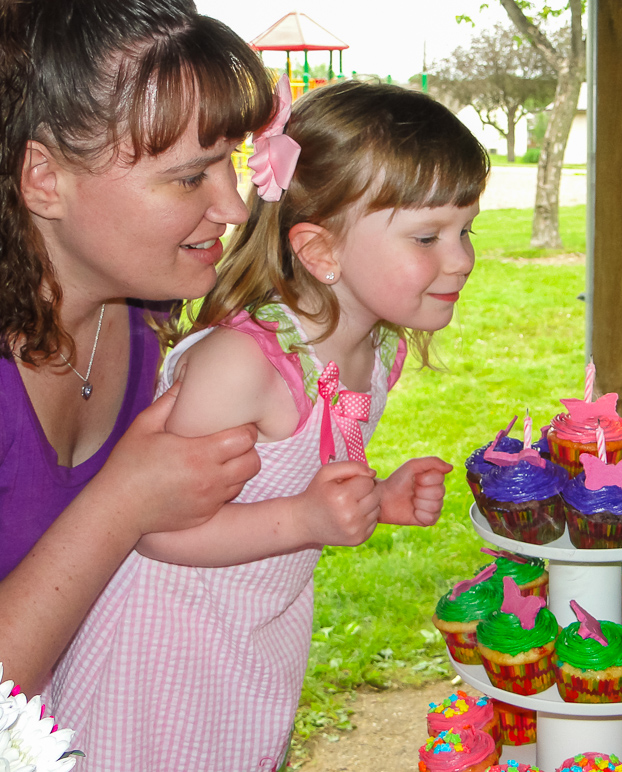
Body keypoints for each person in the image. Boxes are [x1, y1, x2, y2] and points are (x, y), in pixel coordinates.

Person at [47, 79, 490, 771]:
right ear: (320, 253)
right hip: (163, 652)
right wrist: (307, 522)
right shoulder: (243, 366)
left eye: (467, 229)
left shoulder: (376, 351)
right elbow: (155, 528)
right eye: (428, 236)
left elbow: (297, 479)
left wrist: (374, 499)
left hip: (254, 633)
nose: (461, 258)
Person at [0, 0, 267, 693]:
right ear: (44, 180)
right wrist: (124, 501)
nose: (234, 206)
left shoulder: (149, 316)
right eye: (189, 177)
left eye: (230, 162)